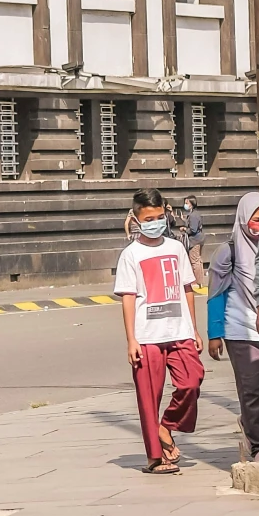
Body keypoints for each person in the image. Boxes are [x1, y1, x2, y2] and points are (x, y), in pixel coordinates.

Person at [114, 191, 205, 473]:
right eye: (148, 219)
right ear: (137, 219)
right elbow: (128, 297)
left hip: (179, 332)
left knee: (192, 381)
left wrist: (194, 329)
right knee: (148, 396)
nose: (154, 223)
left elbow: (186, 288)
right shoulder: (131, 254)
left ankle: (167, 426)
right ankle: (155, 458)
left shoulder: (176, 248)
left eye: (158, 217)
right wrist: (131, 340)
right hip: (147, 336)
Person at [205, 190, 259, 464]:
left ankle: (252, 421)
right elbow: (215, 294)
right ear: (244, 220)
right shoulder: (228, 252)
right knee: (250, 387)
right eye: (257, 219)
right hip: (240, 328)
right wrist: (214, 334)